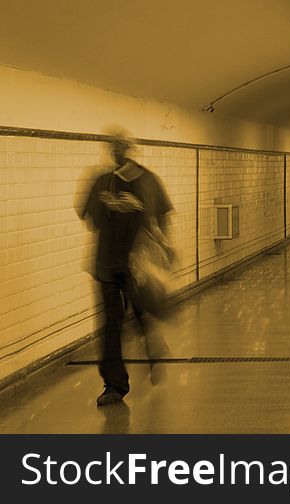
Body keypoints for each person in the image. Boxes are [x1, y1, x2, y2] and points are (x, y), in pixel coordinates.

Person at [79, 128, 174, 406]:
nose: (117, 153)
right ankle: (114, 384)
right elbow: (90, 217)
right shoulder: (102, 181)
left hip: (138, 265)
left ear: (129, 151)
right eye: (114, 148)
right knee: (111, 325)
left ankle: (154, 348)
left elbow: (163, 215)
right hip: (107, 265)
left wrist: (165, 248)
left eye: (121, 148)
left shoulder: (147, 181)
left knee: (142, 314)